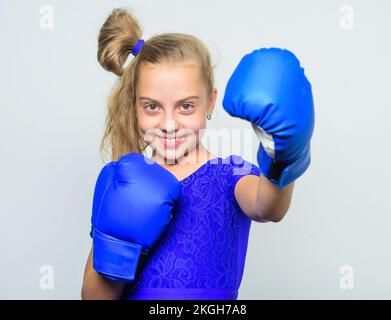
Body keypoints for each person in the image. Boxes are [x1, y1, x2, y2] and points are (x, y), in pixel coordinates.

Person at [81, 7, 314, 300]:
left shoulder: (231, 174)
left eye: (186, 106)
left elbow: (268, 207)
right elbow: (94, 298)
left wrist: (283, 152)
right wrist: (118, 248)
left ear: (210, 102)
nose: (168, 124)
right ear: (134, 105)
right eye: (152, 106)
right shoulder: (122, 184)